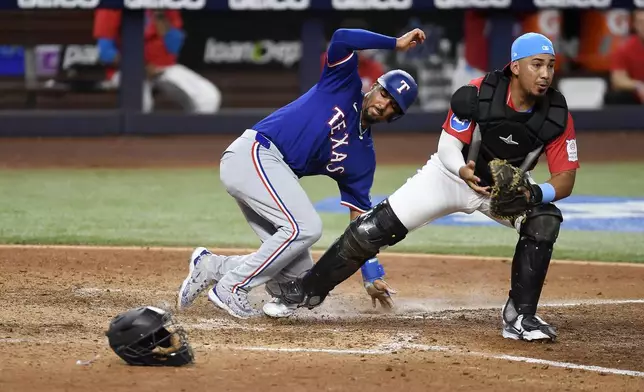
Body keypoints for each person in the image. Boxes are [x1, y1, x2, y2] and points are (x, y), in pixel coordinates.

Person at [267, 32, 580, 343]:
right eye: (537, 64)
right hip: (449, 176)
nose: (545, 74)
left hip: (503, 189)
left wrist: (533, 194)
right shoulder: (479, 93)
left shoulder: (555, 114)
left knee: (544, 219)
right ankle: (304, 292)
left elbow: (565, 179)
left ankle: (520, 316)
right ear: (515, 66)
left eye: (550, 66)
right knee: (368, 231)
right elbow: (447, 147)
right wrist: (461, 169)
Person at [177, 27, 425, 319]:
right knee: (305, 227)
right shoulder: (343, 84)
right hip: (255, 154)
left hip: (272, 174)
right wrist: (395, 43)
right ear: (373, 87)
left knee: (297, 278)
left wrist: (371, 274)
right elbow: (343, 36)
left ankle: (211, 267)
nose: (384, 104)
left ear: (394, 118)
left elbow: (360, 225)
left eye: (393, 106)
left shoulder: (363, 159)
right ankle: (231, 287)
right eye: (385, 93)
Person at [93, 9, 221, 113]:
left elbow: (173, 47)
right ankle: (137, 143)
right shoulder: (112, 6)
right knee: (141, 104)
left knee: (208, 97)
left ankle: (192, 141)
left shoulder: (166, 5)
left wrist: (159, 15)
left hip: (162, 68)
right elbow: (106, 53)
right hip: (126, 70)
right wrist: (140, 67)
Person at [606, 10, 644, 105]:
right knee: (614, 97)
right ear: (634, 25)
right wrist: (638, 86)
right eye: (641, 22)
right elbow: (618, 79)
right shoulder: (624, 49)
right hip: (636, 95)